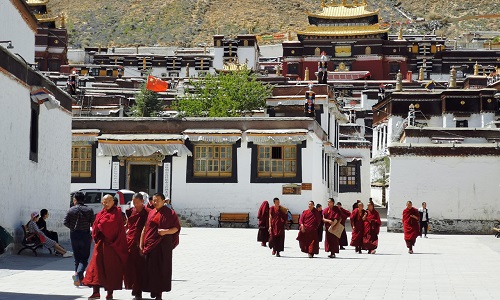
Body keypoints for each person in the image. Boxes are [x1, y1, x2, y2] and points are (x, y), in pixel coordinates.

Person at [83, 194, 128, 300]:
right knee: (95, 268)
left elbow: (110, 226)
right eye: (104, 201)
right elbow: (95, 225)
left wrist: (100, 225)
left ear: (113, 202)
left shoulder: (117, 213)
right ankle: (96, 292)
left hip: (111, 246)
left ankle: (110, 293)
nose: (106, 203)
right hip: (100, 244)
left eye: (108, 201)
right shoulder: (100, 213)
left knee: (110, 269)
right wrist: (97, 227)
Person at [140, 193, 181, 300]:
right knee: (150, 269)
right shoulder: (151, 212)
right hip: (150, 244)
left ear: (164, 201)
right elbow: (146, 228)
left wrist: (166, 231)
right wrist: (142, 243)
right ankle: (153, 289)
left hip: (163, 245)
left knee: (161, 269)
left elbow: (176, 228)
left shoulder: (170, 213)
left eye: (158, 200)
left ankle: (159, 293)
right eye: (154, 200)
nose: (155, 202)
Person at [64, 192, 95, 286]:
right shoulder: (89, 210)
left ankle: (78, 280)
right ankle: (78, 274)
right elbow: (93, 222)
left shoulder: (71, 210)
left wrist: (72, 227)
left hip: (74, 235)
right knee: (84, 258)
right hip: (85, 235)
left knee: (77, 258)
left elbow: (65, 222)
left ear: (75, 200)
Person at [124, 193, 151, 300]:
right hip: (130, 242)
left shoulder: (148, 213)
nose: (135, 204)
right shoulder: (131, 211)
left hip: (142, 243)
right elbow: (129, 225)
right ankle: (134, 288)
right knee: (131, 268)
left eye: (137, 202)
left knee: (140, 268)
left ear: (142, 201)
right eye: (133, 202)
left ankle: (139, 291)